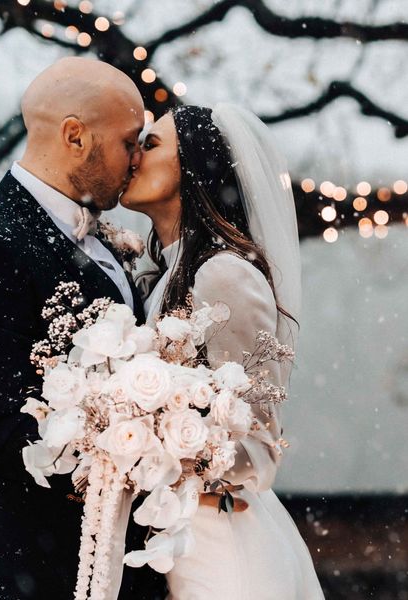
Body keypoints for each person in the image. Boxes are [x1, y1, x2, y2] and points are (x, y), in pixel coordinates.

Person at [0, 57, 166, 600]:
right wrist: (134, 456)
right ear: (75, 136)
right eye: (130, 141)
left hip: (126, 560)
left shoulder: (110, 236)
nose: (138, 159)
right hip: (45, 567)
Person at [120, 104, 325, 599]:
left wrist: (149, 438)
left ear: (195, 168)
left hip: (221, 546)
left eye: (151, 145)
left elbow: (258, 446)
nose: (134, 156)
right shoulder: (158, 274)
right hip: (174, 538)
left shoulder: (223, 274)